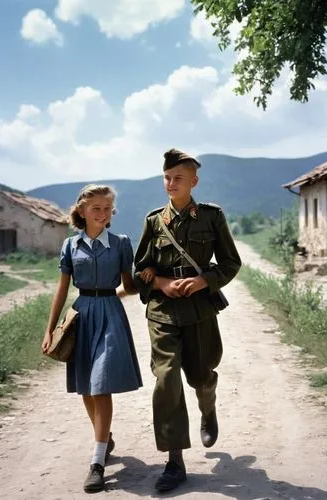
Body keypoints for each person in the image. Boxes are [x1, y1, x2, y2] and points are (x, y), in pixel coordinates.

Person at [133, 148, 242, 493]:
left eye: (178, 178)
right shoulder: (154, 221)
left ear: (193, 181)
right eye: (166, 177)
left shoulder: (211, 217)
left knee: (201, 374)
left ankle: (207, 409)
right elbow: (140, 270)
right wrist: (161, 282)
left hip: (198, 309)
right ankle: (174, 461)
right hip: (163, 311)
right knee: (166, 379)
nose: (170, 183)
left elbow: (229, 262)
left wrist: (201, 281)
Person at [41, 184, 143, 493]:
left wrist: (145, 279)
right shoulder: (71, 246)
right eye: (95, 208)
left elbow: (130, 285)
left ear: (113, 212)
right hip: (81, 315)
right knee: (86, 385)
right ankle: (106, 438)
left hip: (111, 313)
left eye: (106, 208)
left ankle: (97, 462)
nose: (101, 213)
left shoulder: (122, 244)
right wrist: (50, 327)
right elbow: (62, 288)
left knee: (101, 385)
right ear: (83, 211)